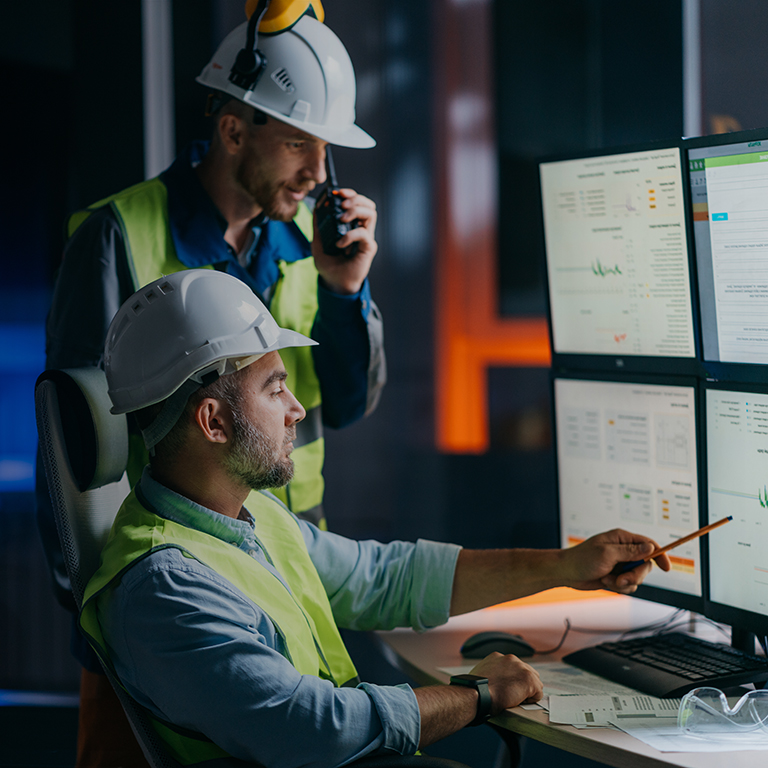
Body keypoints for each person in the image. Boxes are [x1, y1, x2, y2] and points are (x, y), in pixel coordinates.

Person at [78, 269, 672, 768]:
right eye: (275, 387)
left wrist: (568, 566)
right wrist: (477, 696)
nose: (297, 409)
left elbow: (386, 578)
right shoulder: (166, 585)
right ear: (214, 422)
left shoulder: (244, 519)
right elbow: (310, 728)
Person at [38, 7, 384, 764]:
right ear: (234, 132)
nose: (318, 174)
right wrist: (110, 628)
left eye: (327, 150)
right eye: (299, 143)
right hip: (170, 605)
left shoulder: (308, 250)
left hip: (286, 571)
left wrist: (347, 291)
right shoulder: (117, 236)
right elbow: (74, 453)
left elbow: (349, 404)